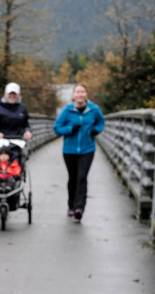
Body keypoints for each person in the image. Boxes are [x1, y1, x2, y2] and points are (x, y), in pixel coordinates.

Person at [53, 83, 105, 222]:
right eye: (77, 92)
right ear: (74, 95)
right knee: (73, 178)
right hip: (69, 150)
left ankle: (79, 208)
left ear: (86, 94)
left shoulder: (94, 109)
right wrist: (70, 128)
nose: (80, 94)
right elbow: (57, 128)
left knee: (82, 177)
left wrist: (96, 130)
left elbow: (101, 123)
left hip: (87, 149)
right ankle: (71, 205)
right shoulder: (67, 110)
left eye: (83, 92)